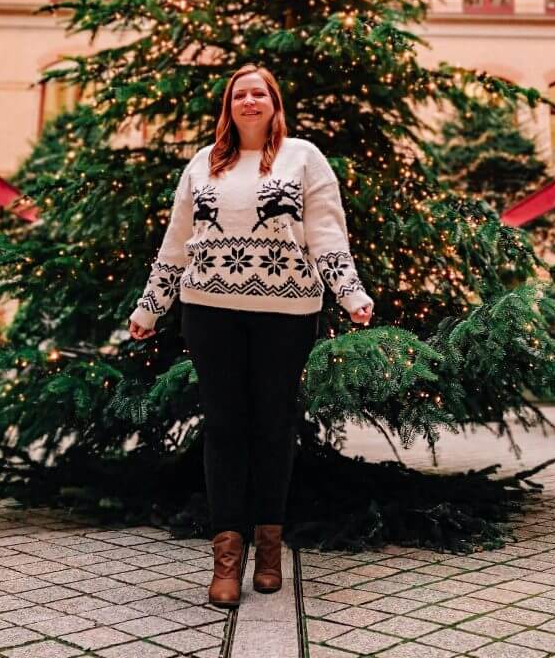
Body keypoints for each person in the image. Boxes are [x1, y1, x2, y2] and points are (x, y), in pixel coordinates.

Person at [128, 63, 373, 608]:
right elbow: (176, 242)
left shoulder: (304, 157)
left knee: (273, 424)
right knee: (223, 428)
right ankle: (226, 558)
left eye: (260, 92)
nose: (250, 100)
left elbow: (328, 232)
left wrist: (350, 292)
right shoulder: (203, 164)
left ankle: (269, 547)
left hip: (285, 313)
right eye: (241, 93)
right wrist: (150, 307)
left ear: (274, 103)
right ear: (229, 105)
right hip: (209, 310)